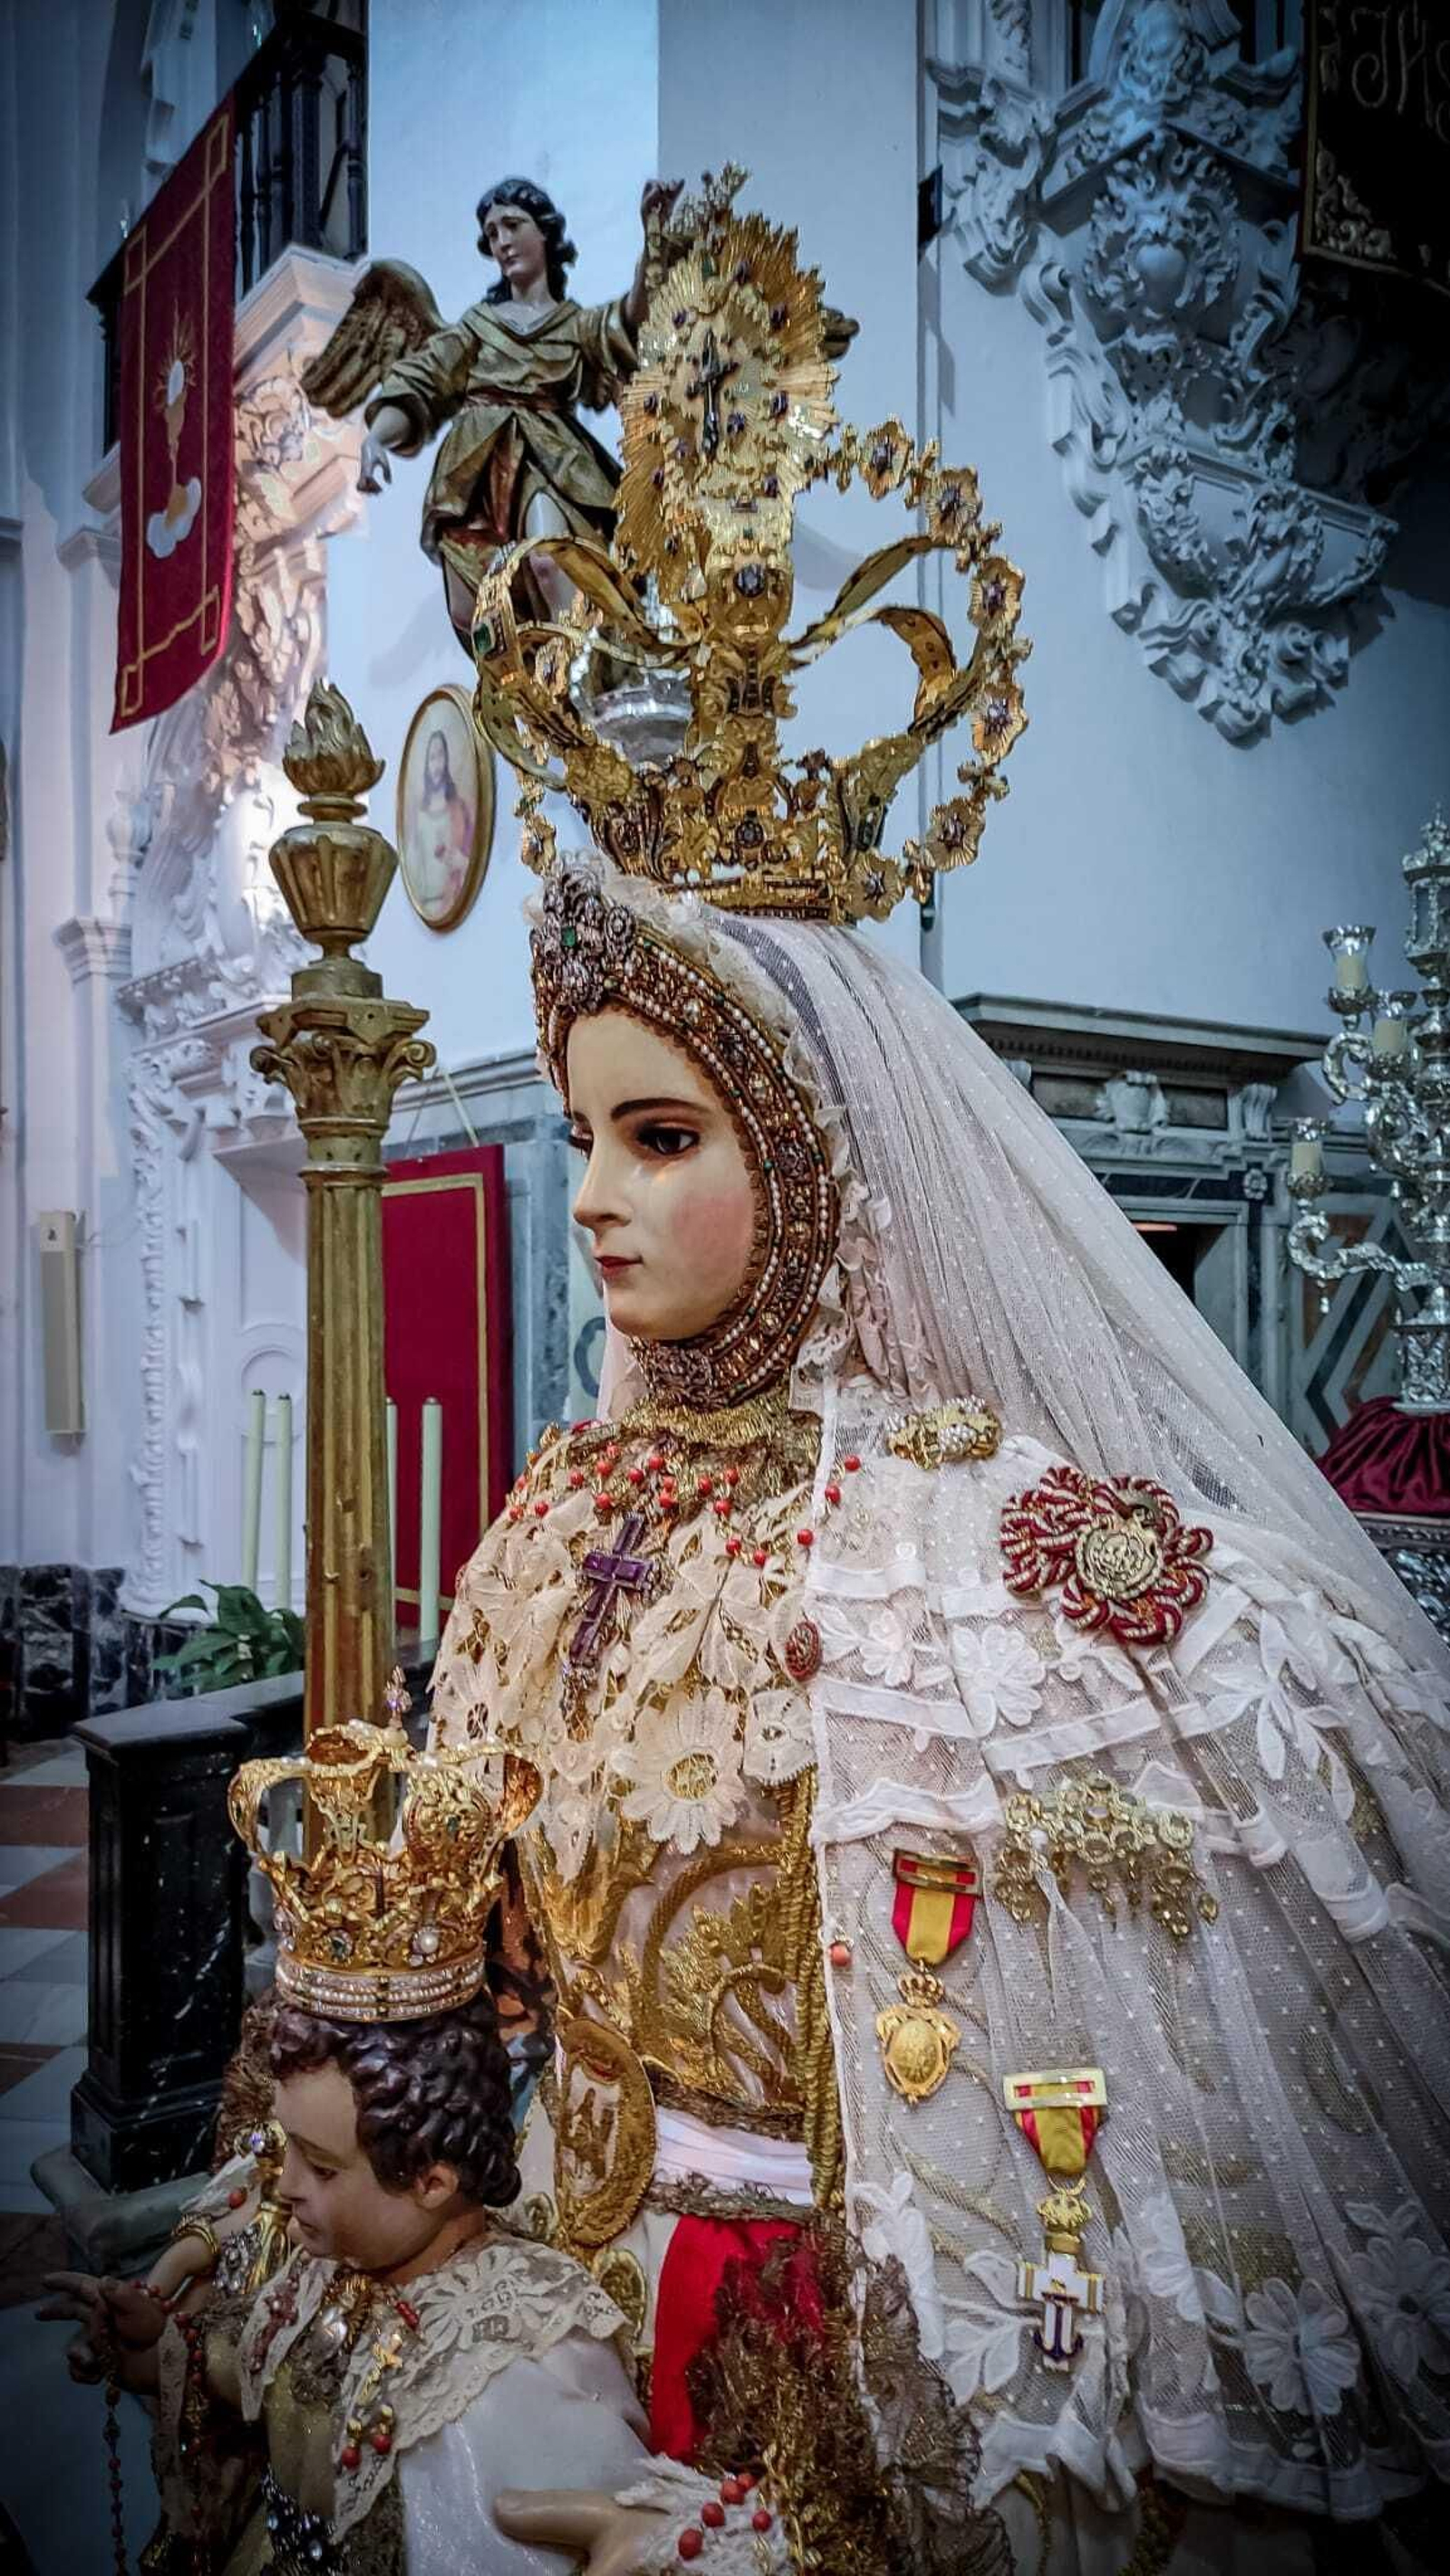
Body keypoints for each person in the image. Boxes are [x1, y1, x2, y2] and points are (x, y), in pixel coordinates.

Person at [358, 176, 681, 637]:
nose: (502, 242)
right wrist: (375, 439)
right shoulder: (478, 326)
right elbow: (421, 381)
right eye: (492, 233)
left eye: (513, 225)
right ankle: (522, 677)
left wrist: (654, 238)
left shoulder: (574, 326)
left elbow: (631, 318)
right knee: (469, 613)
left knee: (549, 560)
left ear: (544, 232)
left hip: (549, 462)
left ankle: (577, 665)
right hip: (473, 475)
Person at [406, 725, 474, 919]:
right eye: (432, 758)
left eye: (440, 756)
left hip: (454, 901)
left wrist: (462, 862)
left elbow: (470, 859)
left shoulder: (459, 809)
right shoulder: (418, 815)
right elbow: (412, 864)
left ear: (447, 760)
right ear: (426, 765)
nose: (436, 765)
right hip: (426, 908)